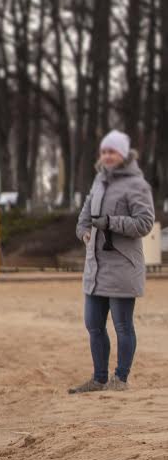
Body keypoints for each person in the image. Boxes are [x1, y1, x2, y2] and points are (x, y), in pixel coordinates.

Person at [70, 130, 156, 393]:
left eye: (112, 151)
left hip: (122, 268)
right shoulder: (99, 181)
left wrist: (111, 223)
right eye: (104, 151)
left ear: (123, 154)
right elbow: (85, 215)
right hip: (95, 268)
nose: (107, 156)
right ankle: (99, 379)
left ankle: (120, 379)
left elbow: (144, 223)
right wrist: (84, 232)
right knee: (93, 324)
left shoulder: (137, 185)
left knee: (122, 326)